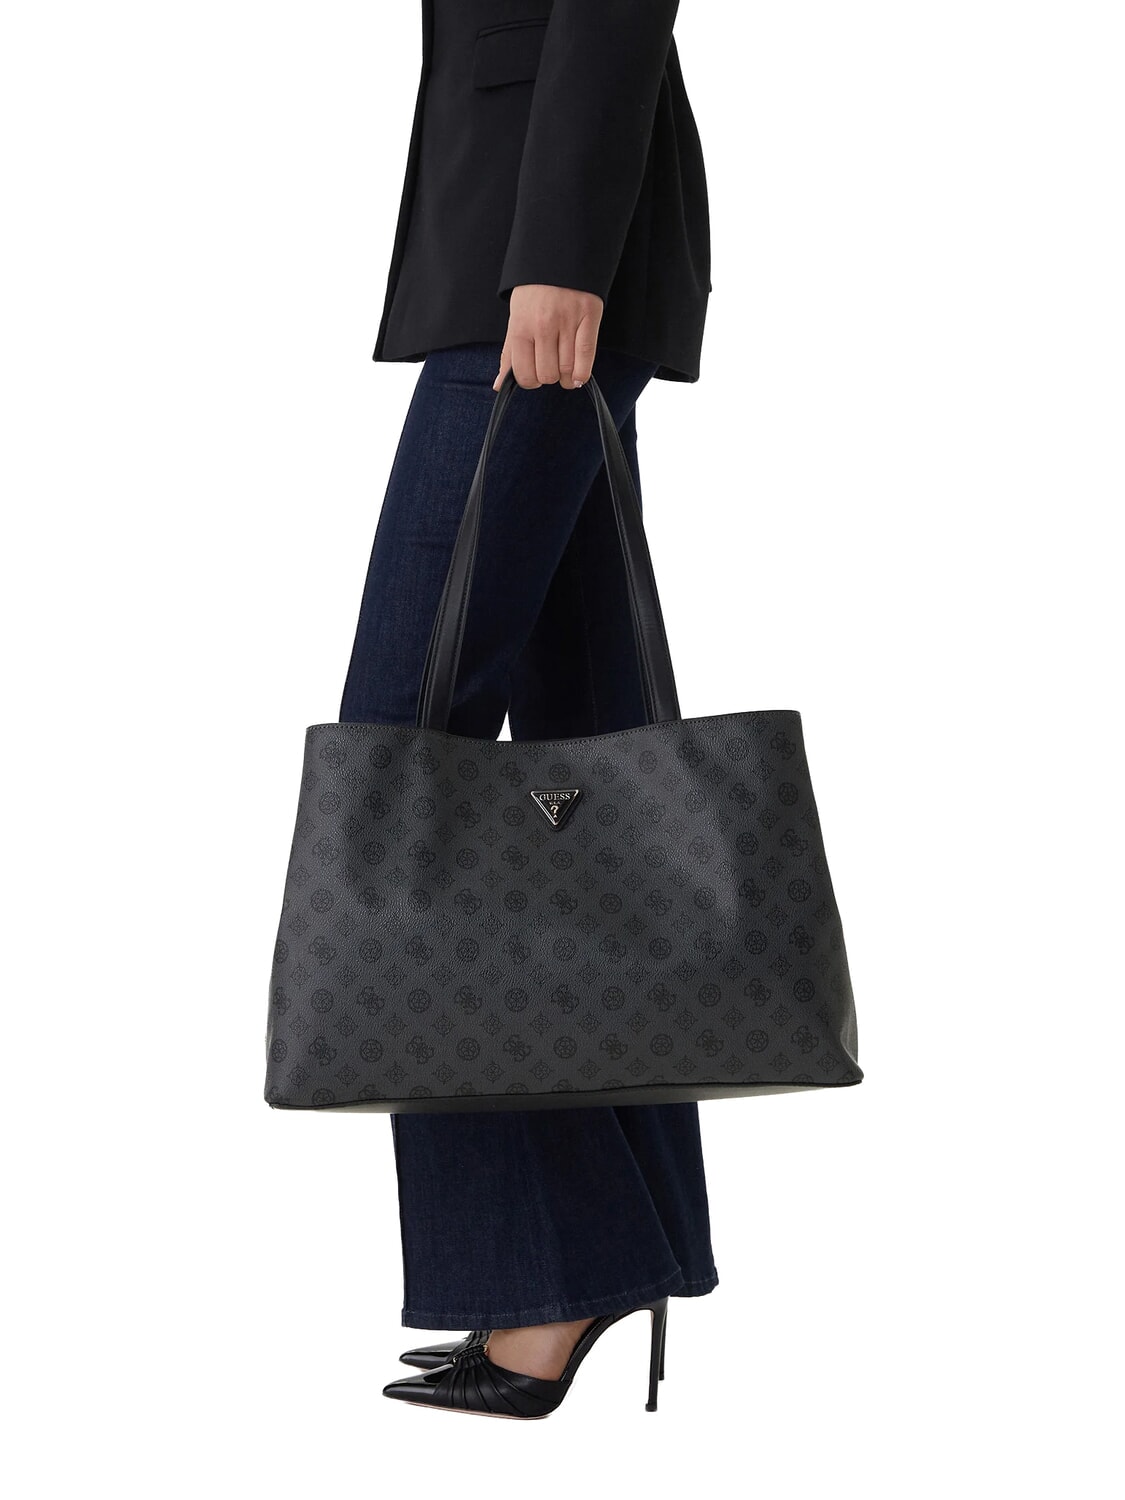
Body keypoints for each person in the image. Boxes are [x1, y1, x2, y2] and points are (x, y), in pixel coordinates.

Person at [338, 0, 715, 1418]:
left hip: (544, 258)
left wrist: (557, 253)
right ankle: (608, 1245)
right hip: (517, 241)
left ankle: (551, 1269)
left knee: (402, 767)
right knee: (585, 764)